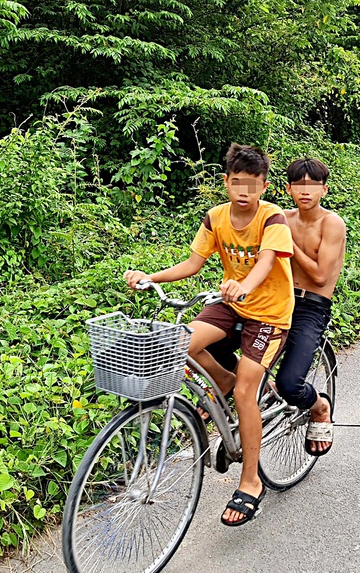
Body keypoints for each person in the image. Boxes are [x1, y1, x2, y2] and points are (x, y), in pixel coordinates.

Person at [123, 143, 294, 527]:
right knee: (177, 343)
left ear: (264, 186)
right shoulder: (215, 217)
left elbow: (267, 261)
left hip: (268, 313)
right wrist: (150, 277)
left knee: (246, 392)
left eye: (252, 185)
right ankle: (224, 380)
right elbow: (192, 263)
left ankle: (250, 481)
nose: (244, 192)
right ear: (226, 182)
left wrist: (245, 285)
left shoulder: (273, 218)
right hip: (230, 304)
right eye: (237, 183)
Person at [280, 157, 346, 457]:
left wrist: (288, 245)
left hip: (311, 306)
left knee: (290, 384)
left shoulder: (331, 224)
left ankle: (319, 406)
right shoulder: (282, 217)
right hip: (277, 299)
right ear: (288, 188)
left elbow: (320, 275)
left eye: (312, 185)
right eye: (298, 185)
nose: (305, 191)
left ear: (324, 190)